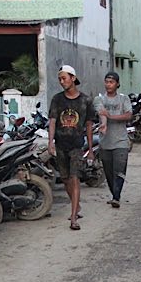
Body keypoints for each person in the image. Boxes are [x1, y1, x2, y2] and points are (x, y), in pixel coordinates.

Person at [48, 65, 97, 231]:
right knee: (65, 178)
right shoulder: (57, 99)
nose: (62, 82)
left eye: (65, 78)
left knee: (75, 178)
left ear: (73, 78)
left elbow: (89, 125)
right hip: (61, 144)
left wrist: (90, 149)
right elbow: (53, 121)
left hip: (77, 145)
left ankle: (74, 217)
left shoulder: (85, 100)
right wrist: (50, 142)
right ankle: (77, 206)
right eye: (60, 79)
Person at [95, 71, 132, 208]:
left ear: (117, 84)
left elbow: (128, 115)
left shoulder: (124, 99)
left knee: (120, 170)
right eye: (106, 82)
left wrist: (110, 117)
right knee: (109, 173)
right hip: (105, 143)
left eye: (111, 82)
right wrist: (104, 123)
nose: (108, 84)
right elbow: (102, 113)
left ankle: (116, 197)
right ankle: (114, 194)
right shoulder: (99, 99)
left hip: (121, 141)